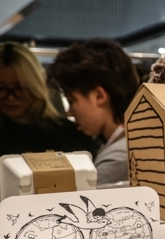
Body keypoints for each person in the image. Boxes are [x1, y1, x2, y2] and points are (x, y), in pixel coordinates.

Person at [0, 42, 95, 162]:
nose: (11, 98)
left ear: (35, 86)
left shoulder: (71, 134)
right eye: (0, 88)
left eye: (20, 88)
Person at [47, 39, 140, 185]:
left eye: (72, 101)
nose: (69, 112)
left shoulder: (117, 159)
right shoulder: (131, 143)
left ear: (99, 96)